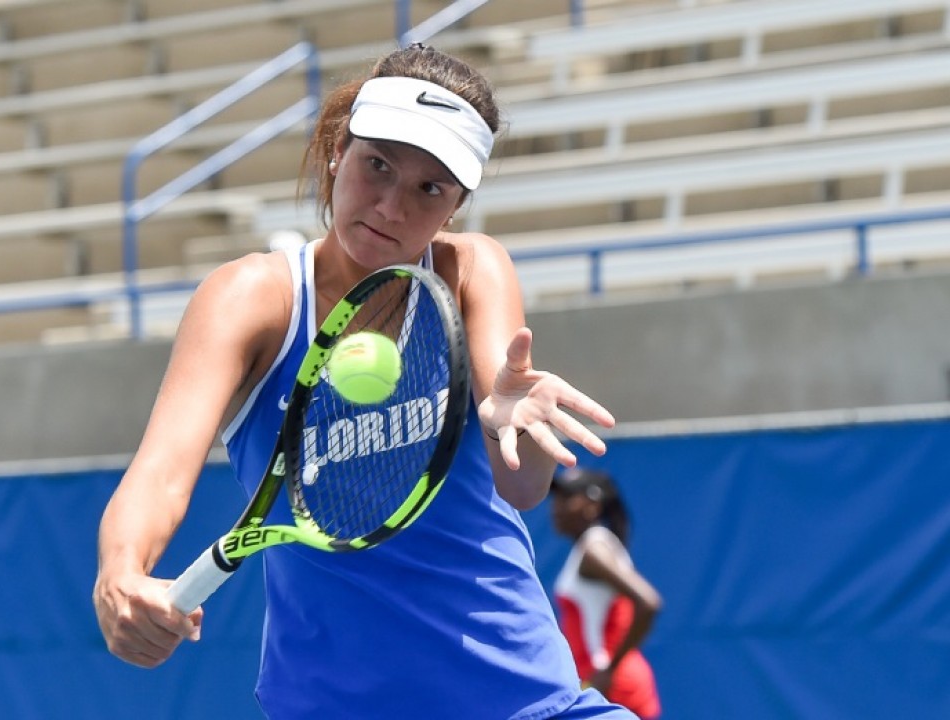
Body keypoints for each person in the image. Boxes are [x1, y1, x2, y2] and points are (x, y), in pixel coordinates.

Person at [94, 43, 630, 718]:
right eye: (376, 165)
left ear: (456, 204)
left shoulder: (472, 271)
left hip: (523, 695)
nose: (391, 206)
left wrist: (505, 419)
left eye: (428, 189)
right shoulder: (251, 300)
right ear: (335, 152)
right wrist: (120, 570)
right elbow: (163, 471)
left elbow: (523, 491)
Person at [550, 467, 663, 719]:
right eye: (556, 499)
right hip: (605, 681)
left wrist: (609, 670)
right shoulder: (591, 547)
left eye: (567, 498)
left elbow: (649, 602)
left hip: (612, 685)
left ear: (592, 505)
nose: (555, 507)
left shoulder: (594, 551)